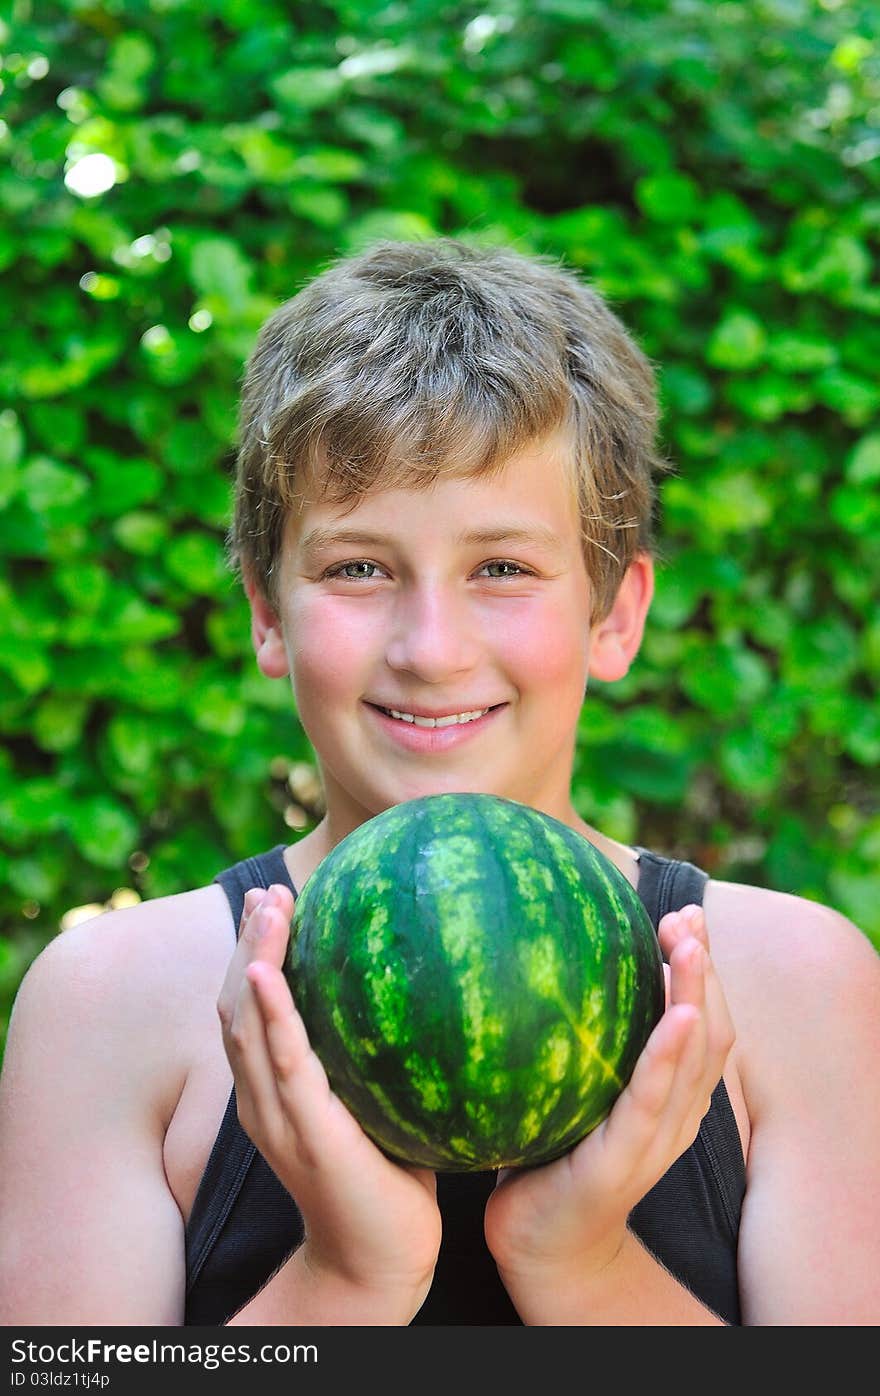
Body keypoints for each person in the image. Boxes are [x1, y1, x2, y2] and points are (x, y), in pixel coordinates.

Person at [1, 239, 878, 1328]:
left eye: (501, 567)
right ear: (267, 613)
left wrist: (578, 1262)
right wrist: (351, 1275)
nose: (431, 647)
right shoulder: (109, 1002)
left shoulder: (796, 985)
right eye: (357, 567)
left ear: (614, 614)